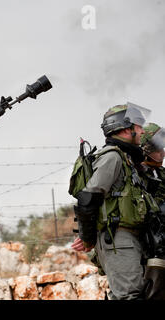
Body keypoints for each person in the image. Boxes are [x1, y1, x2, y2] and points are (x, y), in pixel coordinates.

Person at [71, 103, 161, 300]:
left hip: (130, 237)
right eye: (138, 126)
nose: (142, 130)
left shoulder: (128, 158)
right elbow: (89, 198)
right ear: (127, 128)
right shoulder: (112, 157)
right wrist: (88, 237)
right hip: (117, 237)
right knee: (129, 296)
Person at [139, 123, 165, 299]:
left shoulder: (161, 173)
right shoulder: (135, 174)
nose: (162, 153)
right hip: (142, 245)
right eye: (158, 149)